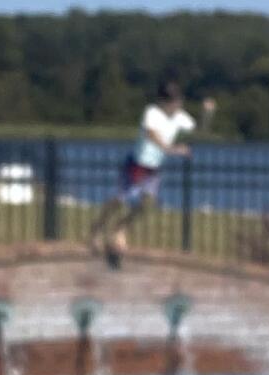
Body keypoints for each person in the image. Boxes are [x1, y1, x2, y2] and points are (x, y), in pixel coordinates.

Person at [89, 77, 213, 267]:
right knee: (118, 201)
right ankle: (97, 229)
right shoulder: (152, 113)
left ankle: (119, 229)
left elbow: (199, 132)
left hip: (153, 169)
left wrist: (207, 114)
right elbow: (151, 135)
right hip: (137, 165)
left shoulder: (180, 116)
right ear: (162, 102)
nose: (176, 105)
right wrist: (172, 149)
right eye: (173, 102)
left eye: (178, 101)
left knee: (146, 204)